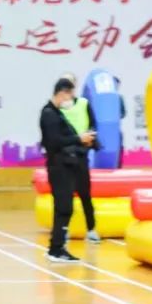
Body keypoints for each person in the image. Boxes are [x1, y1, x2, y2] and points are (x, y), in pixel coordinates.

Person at [39, 79, 97, 263]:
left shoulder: (56, 113)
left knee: (64, 207)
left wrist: (83, 141)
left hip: (66, 166)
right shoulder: (49, 114)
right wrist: (78, 138)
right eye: (70, 95)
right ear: (62, 93)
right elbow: (54, 141)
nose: (71, 99)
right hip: (58, 167)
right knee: (64, 208)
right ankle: (57, 249)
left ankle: (56, 247)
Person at [57, 73, 100, 243]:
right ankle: (64, 230)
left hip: (81, 156)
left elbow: (93, 125)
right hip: (64, 158)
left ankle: (91, 229)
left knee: (85, 195)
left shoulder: (84, 104)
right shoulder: (56, 109)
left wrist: (89, 138)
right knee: (65, 196)